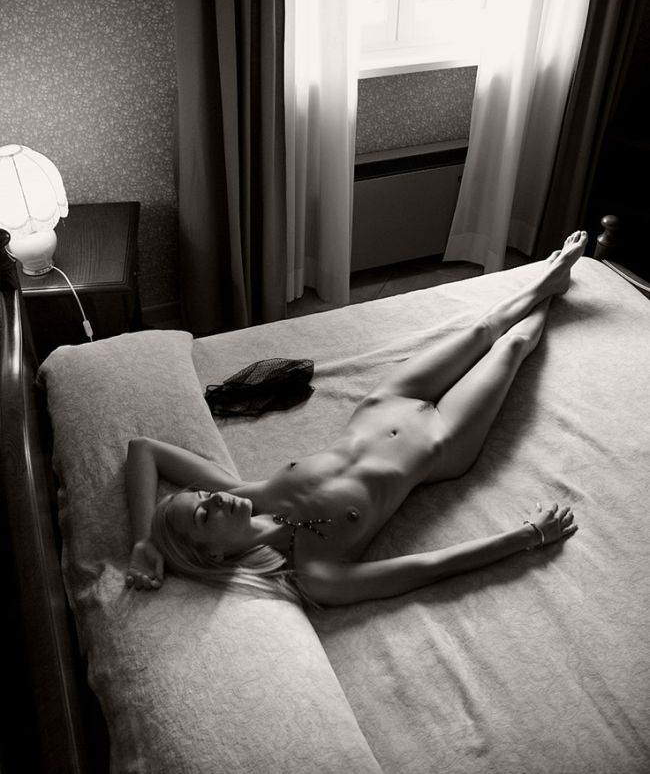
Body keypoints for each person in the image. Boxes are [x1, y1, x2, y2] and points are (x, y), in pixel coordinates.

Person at [126, 232, 586, 606]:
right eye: (203, 514)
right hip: (443, 440)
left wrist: (143, 541)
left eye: (203, 495)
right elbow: (429, 567)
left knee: (482, 330)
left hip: (386, 401)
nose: (215, 499)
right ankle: (551, 287)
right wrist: (528, 536)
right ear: (212, 554)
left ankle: (548, 278)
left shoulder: (249, 495)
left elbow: (143, 450)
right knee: (511, 346)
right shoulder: (317, 575)